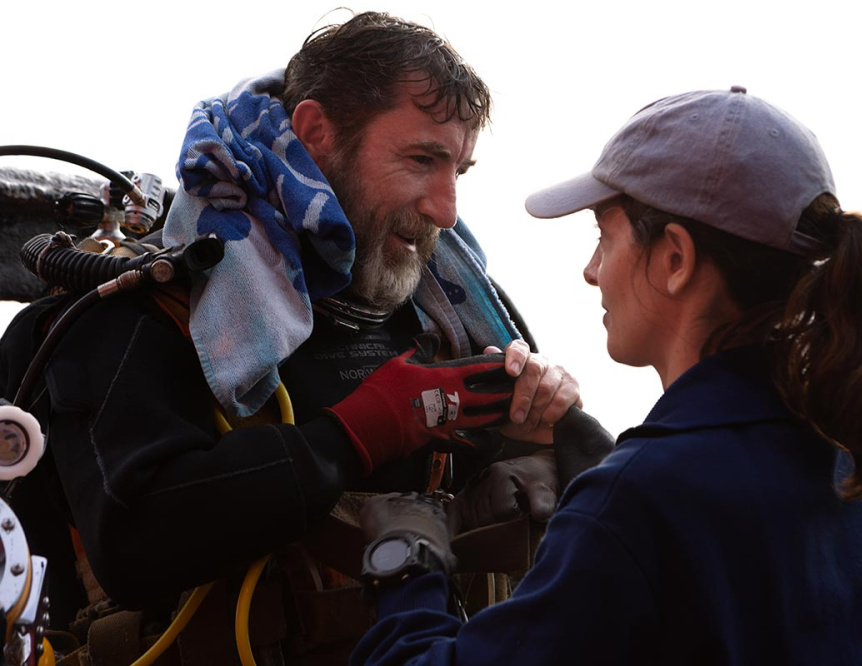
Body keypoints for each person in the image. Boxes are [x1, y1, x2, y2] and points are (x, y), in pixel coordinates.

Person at [0, 11, 596, 665]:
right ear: (316, 134)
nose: (446, 209)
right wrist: (356, 434)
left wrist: (546, 435)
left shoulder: (448, 314)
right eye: (421, 159)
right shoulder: (146, 311)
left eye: (459, 169)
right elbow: (132, 541)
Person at [350, 86, 862, 665]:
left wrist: (407, 559)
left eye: (604, 236)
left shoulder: (639, 499)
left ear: (675, 259)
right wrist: (583, 448)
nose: (591, 270)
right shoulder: (850, 461)